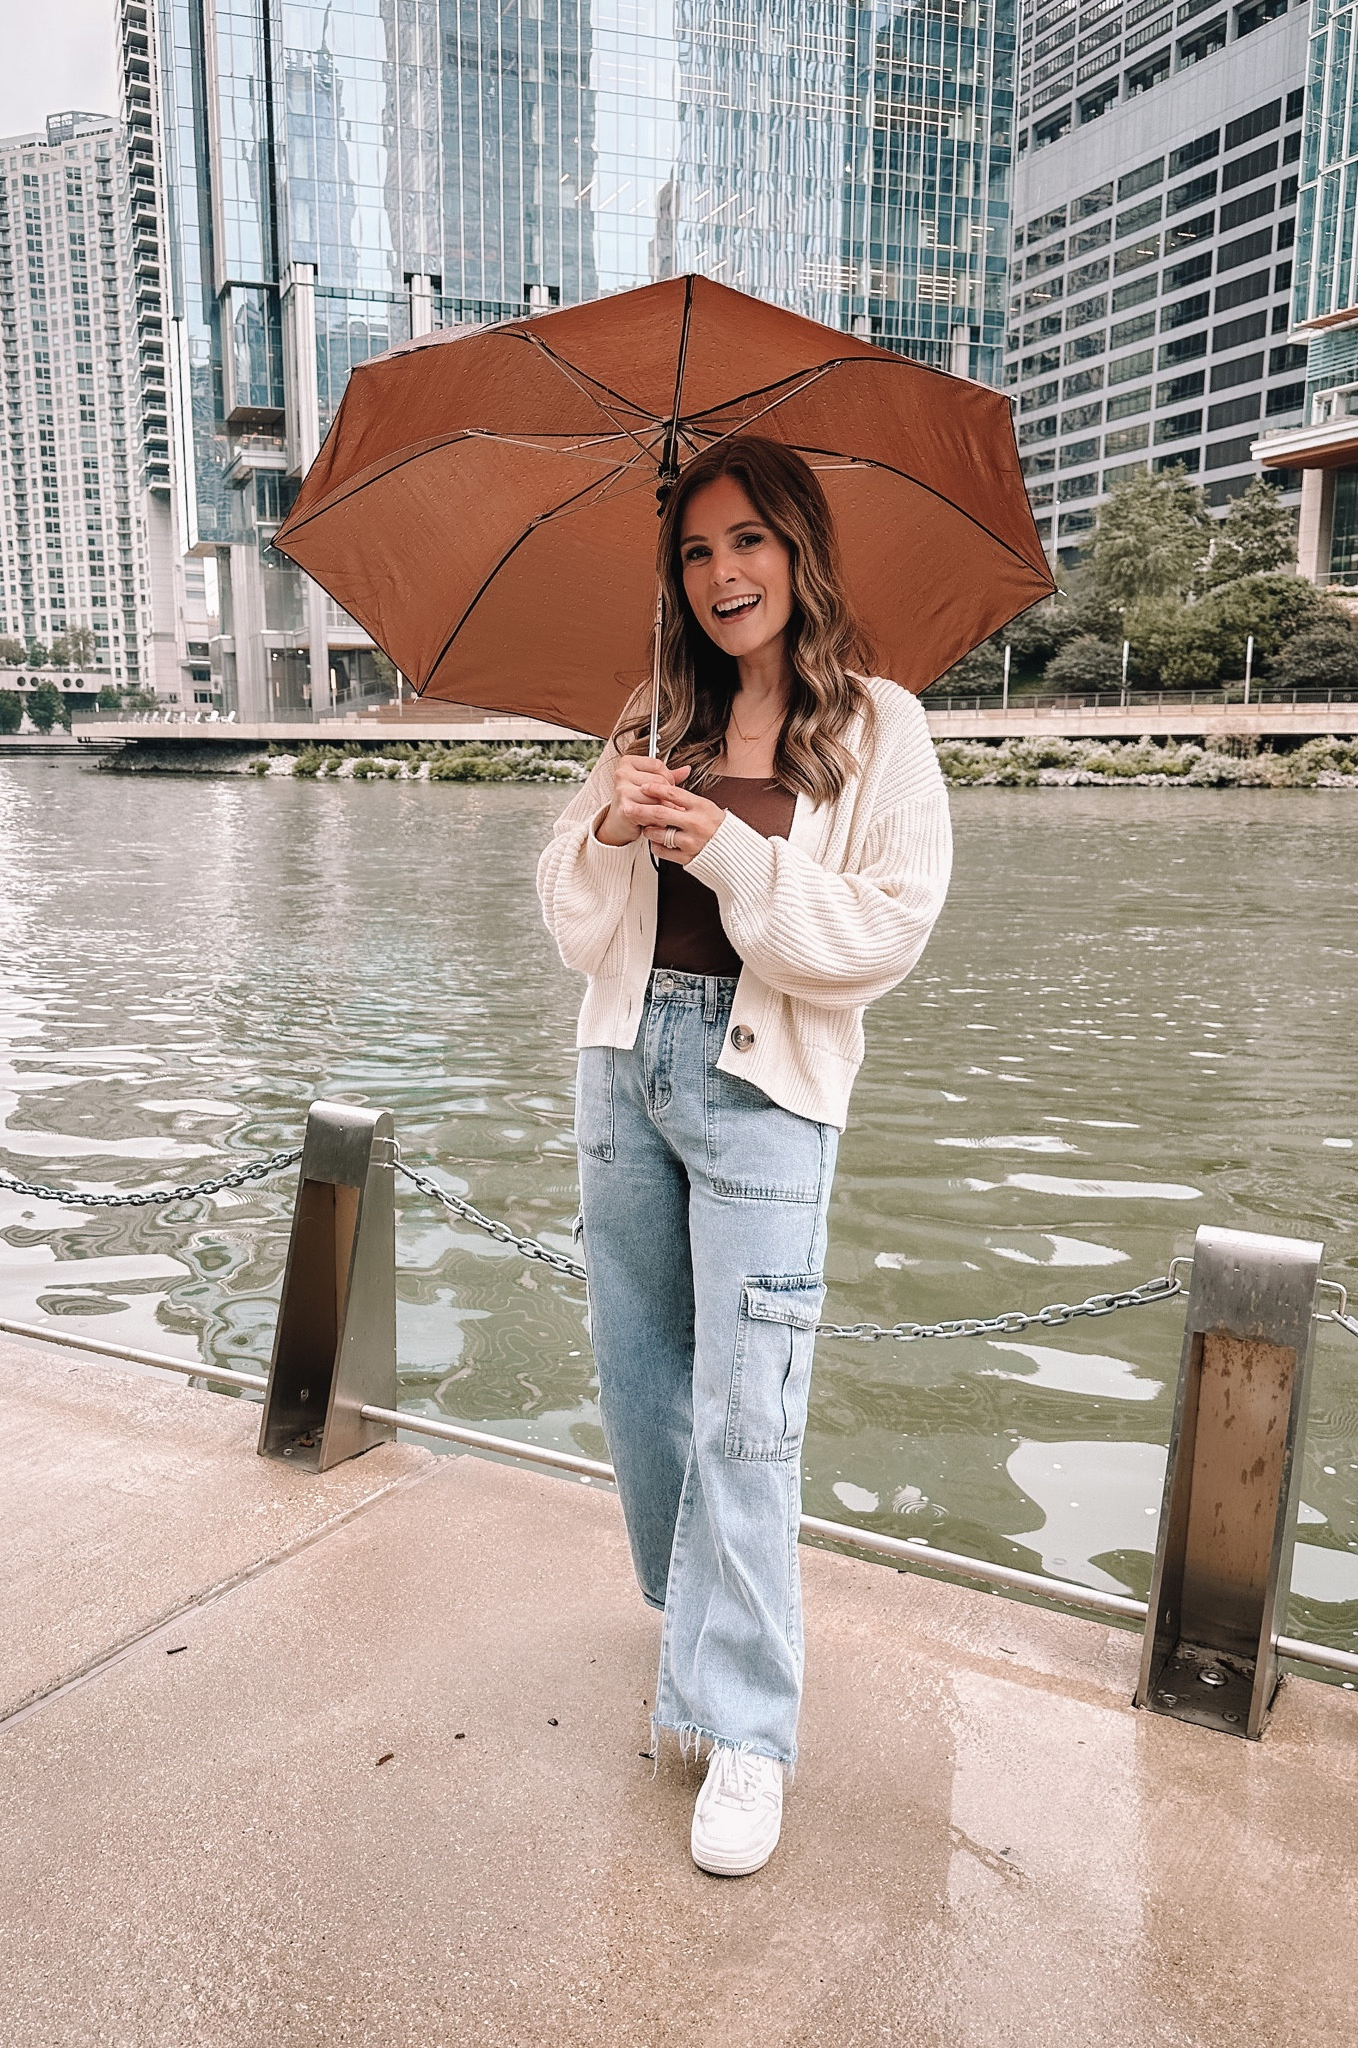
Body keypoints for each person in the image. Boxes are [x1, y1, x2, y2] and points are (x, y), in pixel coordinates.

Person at [536, 434, 952, 1877]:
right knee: (640, 1386)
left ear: (798, 551)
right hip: (621, 1065)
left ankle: (747, 1732)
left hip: (765, 1091)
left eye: (749, 541)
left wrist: (719, 845)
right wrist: (605, 821)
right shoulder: (652, 713)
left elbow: (876, 942)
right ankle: (694, 1614)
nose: (723, 573)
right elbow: (580, 930)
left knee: (749, 1418)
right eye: (699, 549)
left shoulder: (881, 728)